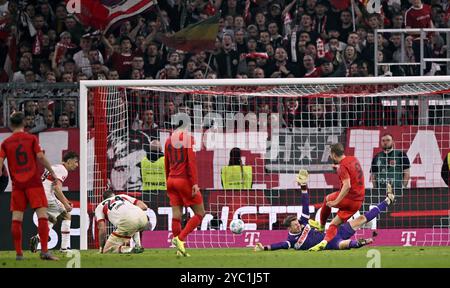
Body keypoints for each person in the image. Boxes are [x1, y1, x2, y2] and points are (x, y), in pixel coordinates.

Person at [255, 169, 395, 251]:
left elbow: (305, 205)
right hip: (329, 243)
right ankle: (359, 243)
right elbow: (280, 245)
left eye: (297, 222)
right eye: (296, 225)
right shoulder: (291, 241)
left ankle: (388, 200)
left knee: (361, 219)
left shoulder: (304, 222)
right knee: (343, 244)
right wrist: (265, 248)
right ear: (289, 228)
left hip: (334, 231)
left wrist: (303, 188)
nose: (299, 224)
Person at [0, 112, 59, 260]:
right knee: (42, 216)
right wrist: (52, 171)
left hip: (17, 186)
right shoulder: (31, 138)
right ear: (24, 123)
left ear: (11, 124)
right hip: (33, 183)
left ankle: (19, 254)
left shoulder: (6, 143)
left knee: (16, 218)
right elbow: (40, 157)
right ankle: (44, 251)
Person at [309, 143, 365, 251]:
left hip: (348, 198)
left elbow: (347, 185)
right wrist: (339, 169)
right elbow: (352, 174)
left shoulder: (342, 167)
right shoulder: (354, 159)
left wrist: (336, 202)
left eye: (330, 155)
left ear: (334, 155)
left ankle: (321, 226)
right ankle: (324, 242)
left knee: (327, 199)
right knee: (334, 224)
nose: (330, 157)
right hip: (358, 202)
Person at [165, 126, 205, 256]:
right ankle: (180, 239)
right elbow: (191, 162)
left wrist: (167, 181)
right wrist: (194, 183)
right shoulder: (188, 138)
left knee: (176, 216)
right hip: (184, 181)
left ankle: (179, 250)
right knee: (200, 213)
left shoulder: (168, 141)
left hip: (171, 180)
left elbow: (166, 162)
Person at [29, 151, 79, 253]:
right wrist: (65, 204)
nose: (77, 165)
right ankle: (64, 248)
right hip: (46, 195)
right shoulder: (63, 170)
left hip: (38, 194)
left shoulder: (56, 166)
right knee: (66, 215)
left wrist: (66, 201)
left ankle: (37, 238)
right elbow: (57, 188)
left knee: (52, 219)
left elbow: (54, 187)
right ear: (69, 161)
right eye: (76, 162)